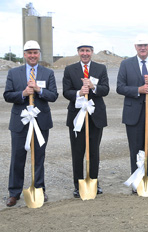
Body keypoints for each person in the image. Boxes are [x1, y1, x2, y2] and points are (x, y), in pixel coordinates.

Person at [3, 40, 58, 207]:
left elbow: (53, 96)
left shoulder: (47, 73)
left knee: (39, 157)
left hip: (40, 122)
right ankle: (14, 192)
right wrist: (23, 93)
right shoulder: (14, 73)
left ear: (39, 54)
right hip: (20, 122)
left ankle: (39, 188)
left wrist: (39, 90)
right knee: (17, 158)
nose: (32, 56)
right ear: (25, 54)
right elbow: (7, 95)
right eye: (29, 53)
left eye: (35, 53)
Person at [116, 34, 148, 193]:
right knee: (135, 149)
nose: (142, 48)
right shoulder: (126, 64)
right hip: (133, 114)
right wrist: (138, 90)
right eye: (139, 45)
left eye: (145, 45)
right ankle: (136, 180)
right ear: (135, 47)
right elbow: (120, 87)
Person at [63, 43, 109, 198]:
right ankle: (78, 184)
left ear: (92, 52)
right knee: (78, 152)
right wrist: (79, 92)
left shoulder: (101, 69)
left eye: (87, 51)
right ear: (78, 52)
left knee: (94, 151)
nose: (85, 53)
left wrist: (93, 87)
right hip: (77, 117)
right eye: (82, 51)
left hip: (96, 117)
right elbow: (66, 91)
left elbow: (106, 89)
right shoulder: (70, 69)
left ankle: (94, 181)